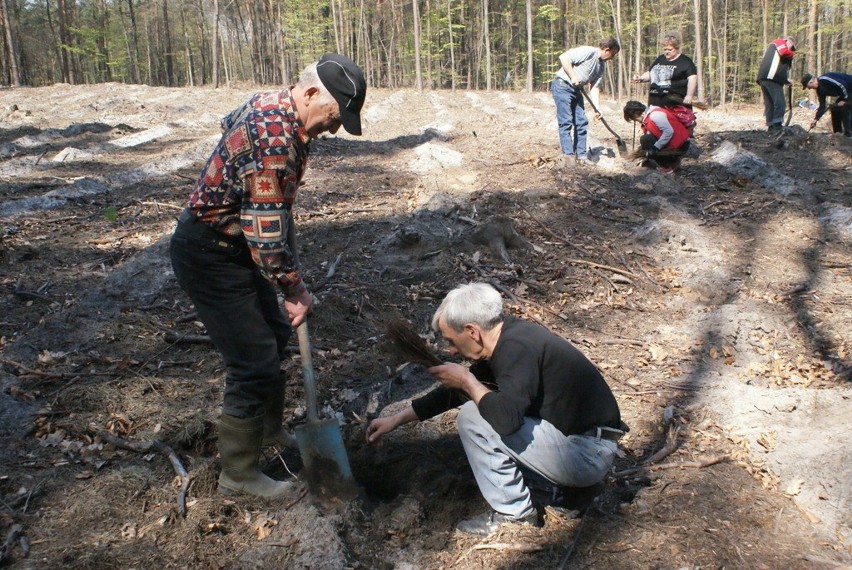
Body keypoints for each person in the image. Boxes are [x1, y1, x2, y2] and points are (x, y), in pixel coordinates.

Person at [169, 54, 366, 499]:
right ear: (312, 93)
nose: (334, 129)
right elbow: (266, 236)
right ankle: (237, 474)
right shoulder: (275, 143)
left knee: (274, 335)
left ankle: (270, 433)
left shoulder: (271, 103)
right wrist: (294, 288)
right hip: (210, 253)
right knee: (253, 361)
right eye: (334, 117)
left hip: (237, 245)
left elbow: (229, 123)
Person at [366, 283, 625, 537]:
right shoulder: (508, 340)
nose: (451, 350)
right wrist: (398, 419)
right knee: (482, 404)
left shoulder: (516, 350)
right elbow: (454, 394)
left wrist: (467, 380)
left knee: (473, 417)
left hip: (584, 454)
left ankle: (515, 515)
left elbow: (505, 421)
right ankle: (565, 494)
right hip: (586, 447)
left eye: (451, 341)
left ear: (472, 331)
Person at [551, 38, 620, 165]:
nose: (612, 58)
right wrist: (573, 76)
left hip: (577, 90)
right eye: (613, 54)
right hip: (562, 86)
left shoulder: (601, 66)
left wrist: (597, 108)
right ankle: (569, 156)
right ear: (607, 50)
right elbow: (564, 57)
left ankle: (581, 155)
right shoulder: (588, 52)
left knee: (581, 121)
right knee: (566, 121)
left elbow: (594, 87)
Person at [623, 100, 692, 174]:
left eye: (634, 118)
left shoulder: (655, 115)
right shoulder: (649, 115)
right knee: (646, 141)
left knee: (645, 140)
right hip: (675, 142)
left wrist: (655, 148)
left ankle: (669, 165)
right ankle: (667, 161)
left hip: (681, 144)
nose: (636, 121)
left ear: (637, 113)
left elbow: (668, 132)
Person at [632, 32, 698, 108]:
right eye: (665, 49)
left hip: (675, 104)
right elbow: (651, 73)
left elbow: (693, 78)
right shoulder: (660, 59)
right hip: (655, 102)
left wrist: (689, 95)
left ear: (677, 48)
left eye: (670, 49)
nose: (667, 52)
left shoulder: (685, 61)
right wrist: (641, 78)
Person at [756, 36, 796, 134]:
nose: (790, 49)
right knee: (780, 102)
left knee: (769, 103)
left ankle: (770, 126)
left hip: (764, 78)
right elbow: (783, 52)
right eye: (791, 47)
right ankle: (777, 126)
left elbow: (778, 66)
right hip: (771, 78)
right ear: (789, 43)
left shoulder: (774, 48)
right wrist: (792, 53)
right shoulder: (780, 42)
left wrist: (786, 80)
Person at [801, 72, 852, 138]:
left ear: (811, 82)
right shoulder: (820, 91)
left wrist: (844, 100)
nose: (810, 89)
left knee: (845, 106)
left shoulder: (825, 79)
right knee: (834, 108)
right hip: (848, 91)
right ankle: (838, 133)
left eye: (808, 87)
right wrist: (816, 119)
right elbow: (822, 106)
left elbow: (843, 85)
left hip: (850, 87)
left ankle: (849, 135)